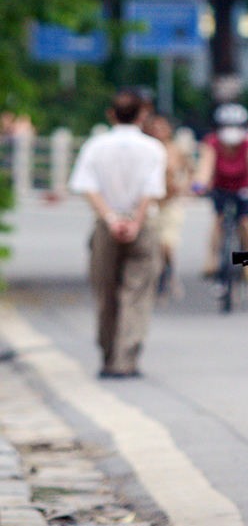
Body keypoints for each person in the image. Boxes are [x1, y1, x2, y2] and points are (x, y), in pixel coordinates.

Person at [68, 89, 167, 378]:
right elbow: (151, 191)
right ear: (143, 114)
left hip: (105, 227)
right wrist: (134, 221)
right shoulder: (153, 148)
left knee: (105, 292)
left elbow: (87, 186)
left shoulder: (96, 146)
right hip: (142, 226)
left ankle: (109, 353)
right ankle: (126, 358)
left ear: (111, 114)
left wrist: (111, 219)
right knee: (136, 293)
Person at [191, 103, 248, 278]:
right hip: (221, 187)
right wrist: (200, 184)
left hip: (245, 188)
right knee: (219, 220)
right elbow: (205, 166)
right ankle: (212, 260)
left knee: (247, 222)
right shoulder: (211, 142)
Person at [142, 112, 190, 299]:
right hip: (151, 202)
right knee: (150, 243)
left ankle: (168, 273)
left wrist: (185, 187)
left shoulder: (176, 149)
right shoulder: (146, 149)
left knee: (167, 243)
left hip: (171, 202)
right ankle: (155, 277)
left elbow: (189, 170)